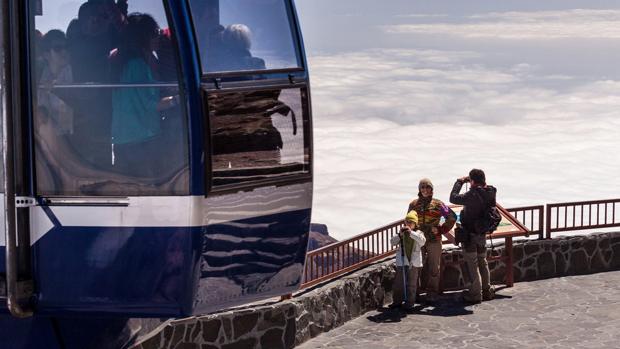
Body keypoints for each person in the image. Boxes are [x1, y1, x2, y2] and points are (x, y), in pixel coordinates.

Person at [111, 13, 178, 177]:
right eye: (154, 33)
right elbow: (151, 104)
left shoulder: (124, 62)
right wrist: (180, 99)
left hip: (124, 139)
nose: (158, 37)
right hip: (141, 140)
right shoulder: (138, 65)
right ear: (142, 37)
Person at [449, 169, 497, 304]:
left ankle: (475, 294)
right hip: (482, 234)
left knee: (473, 264)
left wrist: (459, 182)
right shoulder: (490, 192)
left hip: (470, 235)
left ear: (473, 181)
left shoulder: (472, 194)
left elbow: (453, 197)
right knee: (483, 261)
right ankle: (486, 291)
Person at [407, 178, 457, 304]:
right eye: (422, 187)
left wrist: (441, 229)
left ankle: (432, 293)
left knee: (434, 267)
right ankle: (415, 293)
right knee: (416, 266)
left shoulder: (438, 204)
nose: (425, 189)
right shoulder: (413, 204)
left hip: (434, 240)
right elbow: (409, 221)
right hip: (418, 240)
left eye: (427, 187)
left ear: (432, 189)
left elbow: (452, 217)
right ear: (419, 189)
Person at [37, 30, 74, 136]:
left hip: (70, 138)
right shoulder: (38, 77)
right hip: (47, 137)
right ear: (46, 55)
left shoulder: (75, 73)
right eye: (58, 48)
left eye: (66, 47)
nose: (64, 51)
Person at [390, 211, 426, 311]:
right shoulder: (401, 233)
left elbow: (422, 241)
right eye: (407, 221)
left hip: (414, 263)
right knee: (399, 282)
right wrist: (400, 235)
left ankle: (409, 303)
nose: (409, 224)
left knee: (412, 283)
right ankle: (397, 302)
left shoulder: (418, 233)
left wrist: (411, 233)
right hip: (402, 261)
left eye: (411, 222)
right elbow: (392, 242)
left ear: (415, 224)